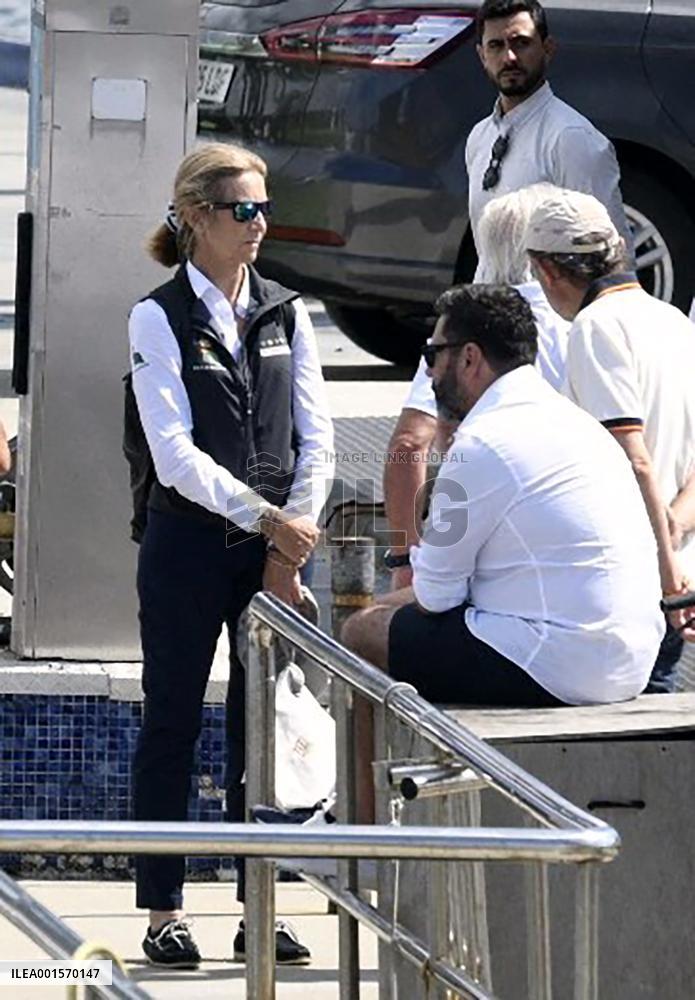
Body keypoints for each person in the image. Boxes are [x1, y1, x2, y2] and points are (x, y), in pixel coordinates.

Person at [128, 143, 334, 968]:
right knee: (172, 720)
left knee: (270, 730)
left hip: (274, 553)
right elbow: (173, 452)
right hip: (187, 545)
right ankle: (161, 910)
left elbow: (316, 437)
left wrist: (296, 534)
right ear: (196, 219)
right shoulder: (158, 315)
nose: (259, 224)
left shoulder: (286, 309)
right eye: (241, 210)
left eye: (263, 207)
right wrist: (266, 519)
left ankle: (265, 904)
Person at [344, 285, 664, 814]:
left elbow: (436, 597)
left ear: (469, 357)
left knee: (360, 636)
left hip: (561, 663)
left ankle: (357, 828)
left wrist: (377, 607)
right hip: (631, 660)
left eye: (432, 355)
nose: (427, 373)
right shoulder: (576, 423)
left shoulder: (483, 443)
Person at [525, 187, 695, 690]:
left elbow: (633, 458)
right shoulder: (672, 319)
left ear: (548, 270)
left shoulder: (595, 327)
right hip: (681, 562)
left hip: (638, 580)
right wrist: (679, 528)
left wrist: (667, 580)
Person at [384, 183, 569, 589]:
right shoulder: (586, 324)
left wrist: (406, 558)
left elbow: (409, 446)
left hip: (478, 548)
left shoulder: (463, 325)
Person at [467, 0, 630, 278]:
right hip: (492, 309)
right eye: (496, 46)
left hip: (548, 316)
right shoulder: (479, 137)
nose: (509, 58)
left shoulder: (572, 138)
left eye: (521, 43)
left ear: (548, 48)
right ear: (482, 55)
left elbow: (609, 254)